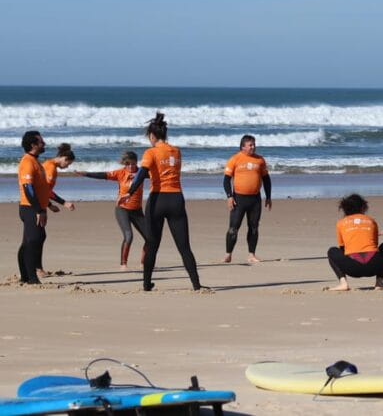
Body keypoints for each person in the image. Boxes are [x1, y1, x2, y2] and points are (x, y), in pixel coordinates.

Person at [118, 112, 205, 291]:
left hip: (158, 199)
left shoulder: (151, 152)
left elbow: (142, 174)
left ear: (152, 136)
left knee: (152, 244)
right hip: (176, 199)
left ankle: (146, 284)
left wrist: (129, 192)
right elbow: (167, 171)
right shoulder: (176, 151)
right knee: (184, 246)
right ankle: (196, 284)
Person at [76, 151, 147, 270]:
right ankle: (123, 264)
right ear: (125, 164)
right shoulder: (120, 173)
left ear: (136, 162)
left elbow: (158, 174)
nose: (130, 166)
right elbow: (103, 175)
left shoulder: (141, 173)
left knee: (150, 238)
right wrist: (85, 174)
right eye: (128, 164)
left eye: (133, 164)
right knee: (129, 236)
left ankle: (143, 263)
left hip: (137, 211)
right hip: (122, 210)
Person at [222, 135, 272, 264]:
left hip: (255, 199)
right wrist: (229, 196)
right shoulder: (235, 159)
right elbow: (226, 180)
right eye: (250, 145)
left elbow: (266, 179)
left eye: (254, 144)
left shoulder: (260, 160)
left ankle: (251, 254)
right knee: (233, 228)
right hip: (239, 199)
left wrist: (268, 196)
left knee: (254, 227)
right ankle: (228, 254)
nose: (253, 147)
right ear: (243, 146)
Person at [327, 194, 383, 291]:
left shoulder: (341, 223)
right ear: (363, 207)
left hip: (352, 269)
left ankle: (343, 283)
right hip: (374, 265)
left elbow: (342, 248)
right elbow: (375, 245)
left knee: (332, 251)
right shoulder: (371, 221)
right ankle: (379, 282)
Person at [17, 131, 51, 284]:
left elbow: (40, 188)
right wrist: (39, 210)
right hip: (30, 207)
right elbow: (28, 188)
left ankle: (25, 276)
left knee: (33, 240)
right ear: (33, 145)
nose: (44, 144)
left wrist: (48, 205)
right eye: (41, 142)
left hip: (35, 207)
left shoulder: (35, 161)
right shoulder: (27, 162)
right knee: (33, 240)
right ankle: (31, 278)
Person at [39, 143, 76, 277]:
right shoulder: (51, 168)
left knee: (37, 237)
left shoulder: (49, 164)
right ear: (64, 158)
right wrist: (64, 202)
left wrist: (49, 205)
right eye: (68, 164)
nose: (67, 167)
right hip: (37, 206)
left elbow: (43, 190)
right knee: (36, 237)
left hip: (40, 204)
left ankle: (35, 268)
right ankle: (37, 269)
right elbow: (46, 190)